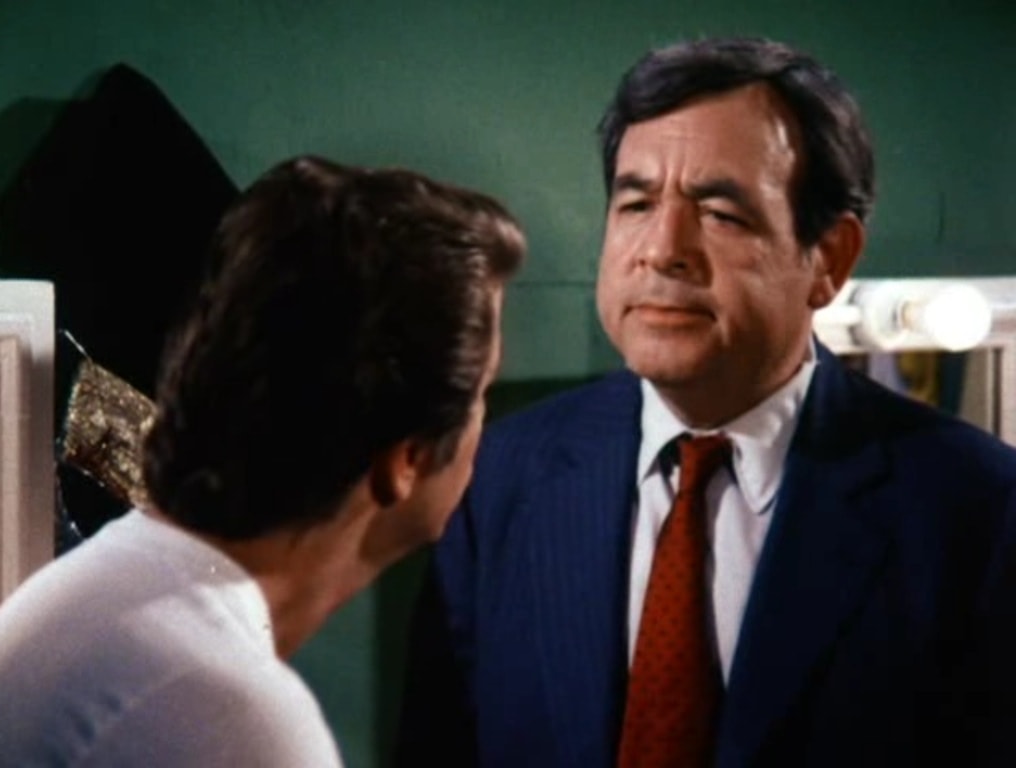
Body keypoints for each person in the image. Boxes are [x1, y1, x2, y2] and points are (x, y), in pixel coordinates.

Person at [395, 36, 1016, 767]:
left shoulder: (976, 509)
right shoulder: (500, 476)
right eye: (635, 203)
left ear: (829, 258)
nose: (662, 249)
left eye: (721, 214)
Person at [0, 155, 525, 766]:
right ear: (405, 461)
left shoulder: (108, 594)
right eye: (482, 391)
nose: (488, 421)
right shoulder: (223, 711)